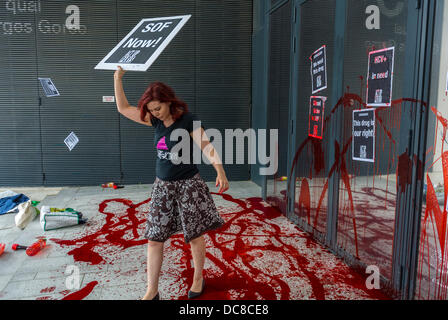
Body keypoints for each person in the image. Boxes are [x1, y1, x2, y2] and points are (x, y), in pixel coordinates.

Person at [114, 66, 229, 300]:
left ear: (168, 101)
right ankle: (152, 290)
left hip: (189, 186)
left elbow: (206, 146)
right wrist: (117, 79)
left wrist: (220, 170)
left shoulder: (188, 120)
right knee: (154, 238)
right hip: (163, 187)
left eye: (158, 108)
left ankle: (198, 278)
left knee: (195, 236)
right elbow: (123, 108)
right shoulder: (155, 122)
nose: (155, 113)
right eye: (151, 110)